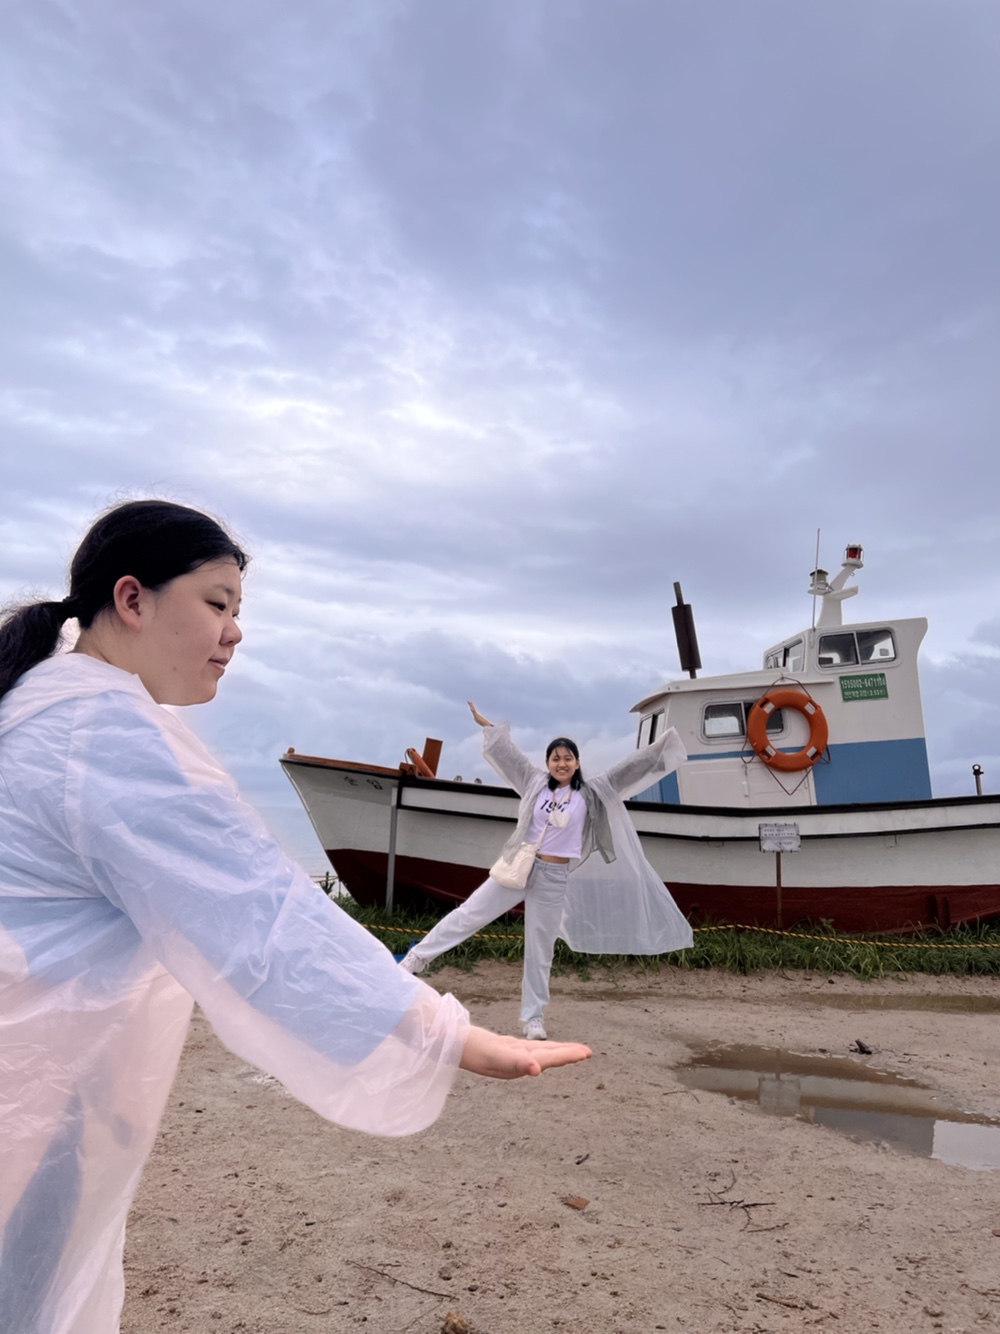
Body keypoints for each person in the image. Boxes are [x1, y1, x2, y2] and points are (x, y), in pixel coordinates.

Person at [0, 500, 590, 1334]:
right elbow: (265, 915)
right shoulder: (103, 730)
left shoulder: (33, 701)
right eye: (217, 603)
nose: (234, 632)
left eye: (238, 610)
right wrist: (449, 1035)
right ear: (131, 599)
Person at [399, 701, 693, 1039]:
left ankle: (533, 1019)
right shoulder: (534, 781)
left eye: (568, 758)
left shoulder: (592, 793)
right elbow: (510, 756)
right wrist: (488, 726)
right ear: (547, 763)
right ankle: (416, 959)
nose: (561, 763)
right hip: (519, 865)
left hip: (553, 877)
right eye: (555, 758)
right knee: (469, 914)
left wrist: (663, 745)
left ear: (577, 763)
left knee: (540, 949)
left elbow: (628, 769)